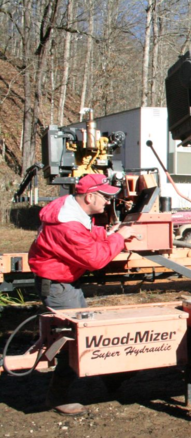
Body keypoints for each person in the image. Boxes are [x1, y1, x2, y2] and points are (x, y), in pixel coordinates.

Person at [29, 174, 135, 416]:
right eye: (106, 197)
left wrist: (110, 233)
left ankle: (110, 377)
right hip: (58, 285)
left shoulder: (71, 211)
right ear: (90, 196)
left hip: (63, 282)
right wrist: (118, 237)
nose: (109, 202)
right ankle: (56, 397)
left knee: (88, 333)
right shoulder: (67, 224)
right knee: (73, 341)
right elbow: (95, 259)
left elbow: (86, 236)